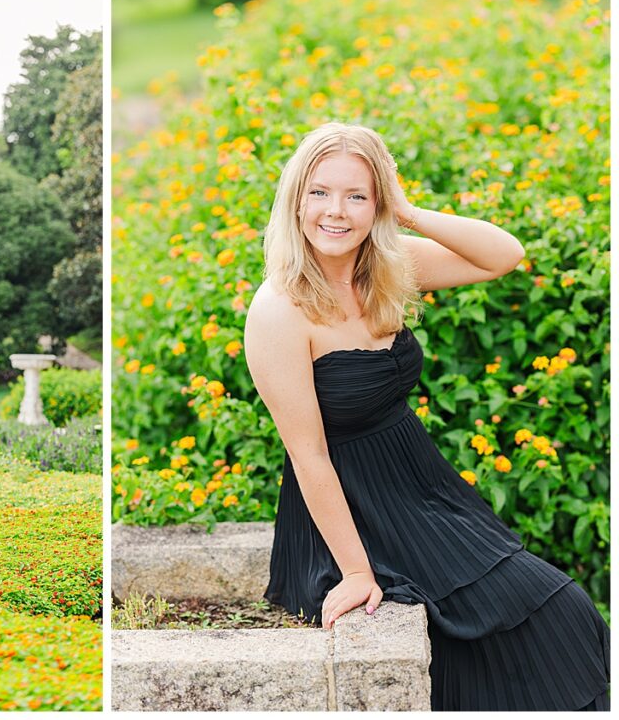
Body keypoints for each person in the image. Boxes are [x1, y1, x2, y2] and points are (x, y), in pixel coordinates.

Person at [243, 122, 609, 711]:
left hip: (420, 484)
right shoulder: (278, 311)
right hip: (354, 511)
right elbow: (308, 455)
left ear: (377, 202)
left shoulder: (388, 266)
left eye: (357, 195)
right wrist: (358, 573)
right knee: (529, 616)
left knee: (560, 608)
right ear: (295, 200)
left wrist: (406, 210)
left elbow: (504, 255)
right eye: (320, 192)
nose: (336, 212)